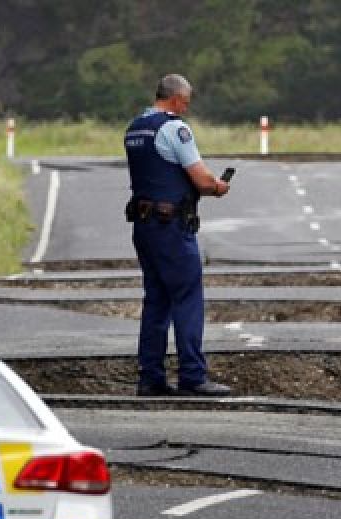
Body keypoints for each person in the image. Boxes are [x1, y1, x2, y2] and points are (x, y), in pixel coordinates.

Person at [124, 74, 231, 397]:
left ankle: (151, 377)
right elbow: (201, 180)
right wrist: (218, 187)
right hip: (171, 226)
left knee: (156, 300)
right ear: (176, 99)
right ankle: (193, 375)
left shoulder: (135, 128)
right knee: (187, 299)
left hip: (143, 225)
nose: (187, 107)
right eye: (186, 101)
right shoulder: (175, 129)